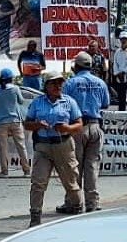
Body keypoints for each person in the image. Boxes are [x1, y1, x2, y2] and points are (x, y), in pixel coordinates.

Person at [24, 72, 84, 226]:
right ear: (46, 86)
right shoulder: (38, 103)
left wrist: (67, 128)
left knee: (71, 183)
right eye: (54, 83)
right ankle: (35, 219)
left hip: (63, 145)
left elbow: (79, 124)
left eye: (60, 83)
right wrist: (38, 125)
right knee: (38, 183)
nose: (58, 86)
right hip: (43, 146)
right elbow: (27, 123)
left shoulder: (69, 102)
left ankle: (78, 211)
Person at [64, 52, 111, 212]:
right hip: (96, 126)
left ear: (76, 66)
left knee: (74, 166)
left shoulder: (71, 83)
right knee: (92, 166)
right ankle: (92, 203)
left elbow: (64, 105)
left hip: (77, 127)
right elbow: (105, 103)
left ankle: (74, 202)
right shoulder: (100, 83)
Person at [0, 68, 29, 176]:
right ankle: (26, 170)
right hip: (16, 120)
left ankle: (4, 171)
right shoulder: (15, 89)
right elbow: (21, 101)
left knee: (3, 148)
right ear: (11, 78)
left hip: (1, 123)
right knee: (21, 146)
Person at [112, 38, 127, 111]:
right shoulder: (118, 51)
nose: (123, 41)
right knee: (121, 97)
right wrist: (117, 73)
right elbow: (115, 63)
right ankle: (122, 113)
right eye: (122, 39)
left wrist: (124, 72)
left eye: (125, 39)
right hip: (120, 78)